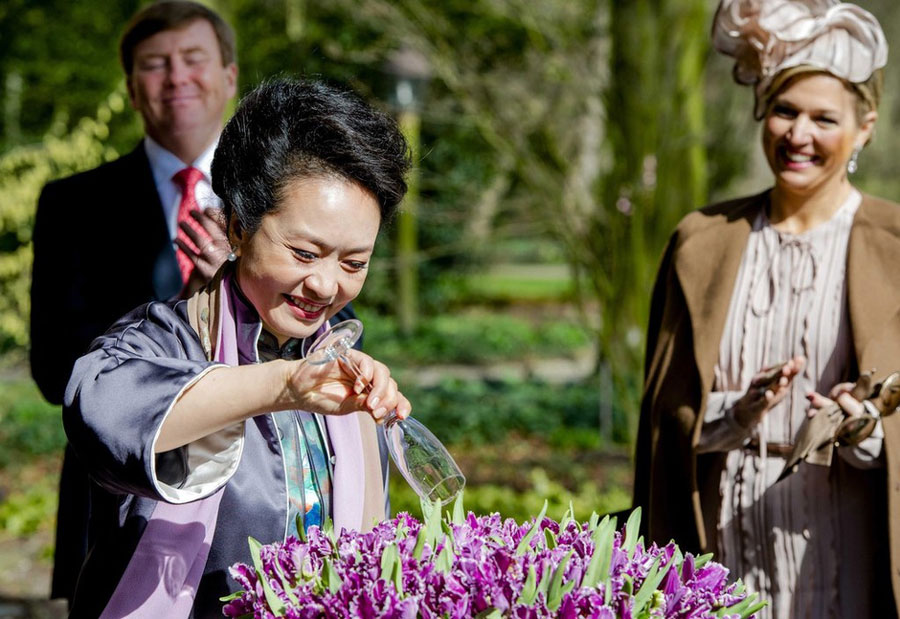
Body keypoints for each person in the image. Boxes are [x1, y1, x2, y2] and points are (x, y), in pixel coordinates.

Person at [62, 78, 411, 617]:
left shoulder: (345, 370)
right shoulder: (161, 341)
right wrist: (283, 386)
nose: (324, 285)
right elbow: (101, 412)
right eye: (303, 252)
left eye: (353, 263)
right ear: (238, 228)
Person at [632, 1, 899, 616]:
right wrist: (736, 410)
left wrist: (862, 428)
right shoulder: (701, 241)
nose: (798, 135)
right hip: (717, 554)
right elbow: (661, 420)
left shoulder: (896, 248)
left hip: (849, 560)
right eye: (785, 111)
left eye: (823, 118)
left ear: (865, 127)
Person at [30, 1, 240, 602]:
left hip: (255, 499)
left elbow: (338, 323)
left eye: (193, 59)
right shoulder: (71, 205)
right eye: (156, 64)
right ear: (131, 88)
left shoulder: (281, 196)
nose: (176, 77)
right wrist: (184, 311)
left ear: (228, 76)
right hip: (112, 503)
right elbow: (52, 368)